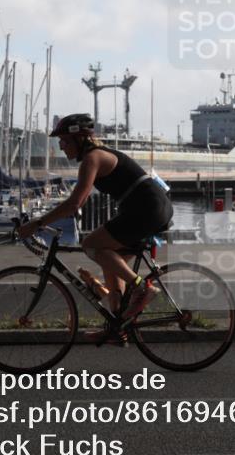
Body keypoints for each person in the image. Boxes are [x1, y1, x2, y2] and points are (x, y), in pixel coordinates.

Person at [17, 113, 173, 342]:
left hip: (148, 208)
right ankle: (117, 326)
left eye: (64, 142)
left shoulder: (93, 158)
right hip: (146, 209)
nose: (61, 147)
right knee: (109, 260)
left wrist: (37, 223)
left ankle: (142, 287)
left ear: (79, 140)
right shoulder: (94, 157)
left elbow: (74, 203)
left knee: (90, 244)